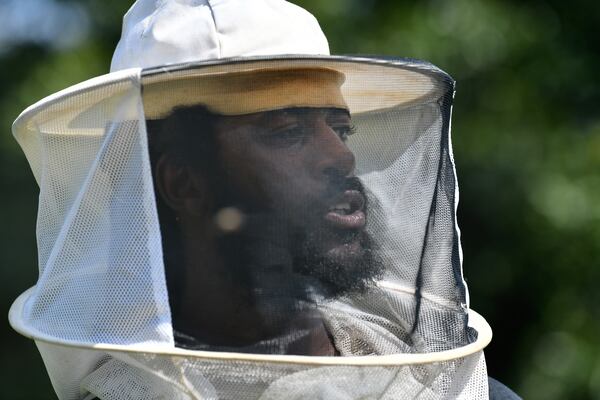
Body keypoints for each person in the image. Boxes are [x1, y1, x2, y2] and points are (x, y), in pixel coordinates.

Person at [8, 0, 520, 398]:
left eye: (340, 127)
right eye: (289, 130)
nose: (340, 156)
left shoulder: (464, 396)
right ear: (183, 182)